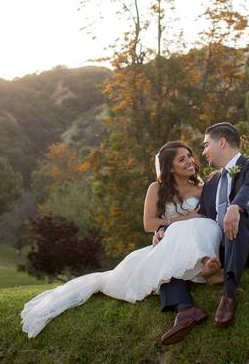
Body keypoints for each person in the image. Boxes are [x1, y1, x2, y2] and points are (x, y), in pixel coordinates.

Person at [21, 141, 223, 338]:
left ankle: (191, 297)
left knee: (182, 239)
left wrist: (174, 226)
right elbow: (148, 223)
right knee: (161, 262)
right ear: (170, 168)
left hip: (191, 240)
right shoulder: (156, 189)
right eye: (182, 159)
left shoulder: (202, 188)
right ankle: (189, 303)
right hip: (170, 242)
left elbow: (207, 218)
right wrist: (170, 225)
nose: (189, 161)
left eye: (189, 156)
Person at [157, 122, 249, 346]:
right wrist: (163, 230)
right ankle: (183, 309)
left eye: (205, 145)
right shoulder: (210, 183)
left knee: (239, 220)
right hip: (222, 248)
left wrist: (236, 207)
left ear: (221, 142)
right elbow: (195, 218)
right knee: (170, 250)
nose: (202, 153)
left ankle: (229, 294)